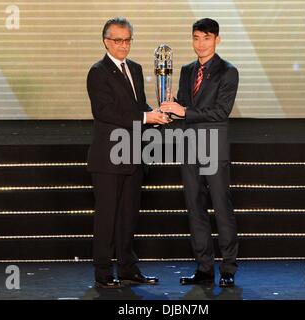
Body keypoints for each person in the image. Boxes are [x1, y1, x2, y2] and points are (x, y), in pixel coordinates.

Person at [86, 17, 170, 288]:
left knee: (128, 218)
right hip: (109, 158)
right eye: (118, 40)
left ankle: (128, 269)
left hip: (133, 155)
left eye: (127, 40)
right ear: (106, 41)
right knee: (107, 219)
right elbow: (105, 111)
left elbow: (138, 104)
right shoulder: (97, 72)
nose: (123, 45)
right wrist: (147, 118)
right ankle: (103, 274)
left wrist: (159, 114)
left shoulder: (134, 68)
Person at [160, 18, 239, 287]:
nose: (200, 43)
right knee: (195, 209)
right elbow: (184, 105)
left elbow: (221, 112)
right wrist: (171, 107)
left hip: (213, 147)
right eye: (196, 37)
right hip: (189, 146)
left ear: (217, 39)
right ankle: (204, 268)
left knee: (221, 208)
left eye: (206, 38)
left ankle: (228, 269)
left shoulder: (229, 71)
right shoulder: (186, 70)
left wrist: (185, 111)